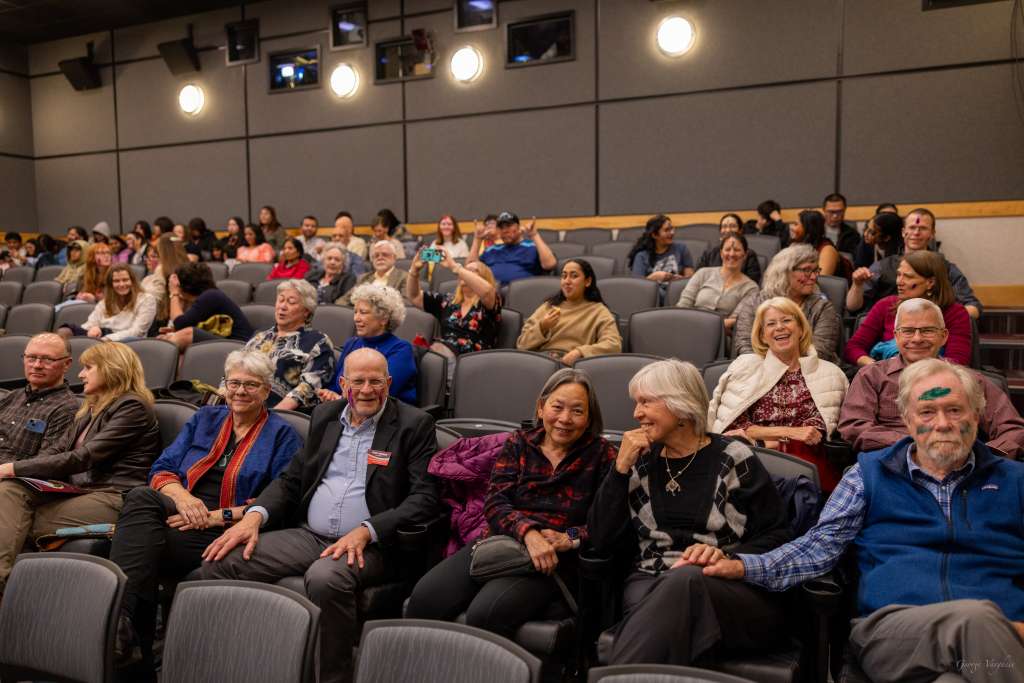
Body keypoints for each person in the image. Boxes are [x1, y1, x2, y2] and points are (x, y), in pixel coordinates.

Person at [705, 358, 1024, 683]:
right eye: (927, 412)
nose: (942, 423)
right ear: (908, 421)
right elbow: (817, 549)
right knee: (976, 619)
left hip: (994, 644)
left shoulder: (1016, 482)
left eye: (955, 410)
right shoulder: (868, 476)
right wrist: (743, 565)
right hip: (892, 632)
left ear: (977, 414)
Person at [200, 347, 439, 683]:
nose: (367, 390)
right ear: (343, 383)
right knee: (219, 562)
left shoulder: (414, 425)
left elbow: (424, 498)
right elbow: (291, 479)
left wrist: (368, 530)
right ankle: (239, 663)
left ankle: (332, 677)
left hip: (373, 544)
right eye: (358, 381)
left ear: (389, 383)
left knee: (326, 578)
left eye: (376, 382)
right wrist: (254, 517)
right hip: (310, 535)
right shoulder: (326, 416)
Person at [109, 350, 303, 673]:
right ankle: (127, 629)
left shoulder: (282, 435)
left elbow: (280, 500)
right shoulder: (205, 419)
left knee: (145, 545)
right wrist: (184, 500)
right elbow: (162, 469)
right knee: (142, 499)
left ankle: (123, 632)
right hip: (181, 509)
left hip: (228, 527)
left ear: (267, 391)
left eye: (251, 385)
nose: (240, 391)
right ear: (224, 385)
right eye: (234, 383)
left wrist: (217, 516)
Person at [588, 359, 792, 665]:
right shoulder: (638, 460)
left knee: (684, 581)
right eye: (636, 403)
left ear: (680, 405)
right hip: (650, 580)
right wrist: (619, 470)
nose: (636, 413)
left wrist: (727, 558)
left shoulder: (733, 457)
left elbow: (778, 535)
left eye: (645, 402)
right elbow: (600, 539)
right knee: (666, 595)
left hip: (723, 586)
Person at [407, 369, 616, 639]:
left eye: (577, 411)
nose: (565, 418)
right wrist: (528, 533)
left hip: (553, 560)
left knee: (486, 614)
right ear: (541, 408)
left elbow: (605, 524)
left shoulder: (602, 456)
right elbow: (496, 502)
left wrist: (570, 537)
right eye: (557, 407)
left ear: (589, 418)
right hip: (502, 543)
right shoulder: (519, 443)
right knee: (424, 599)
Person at [0, 342, 160, 593]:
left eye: (88, 367)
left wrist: (11, 467)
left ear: (110, 370)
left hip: (113, 495)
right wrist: (14, 471)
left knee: (13, 520)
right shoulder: (91, 408)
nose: (80, 374)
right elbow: (56, 452)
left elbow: (83, 457)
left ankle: (6, 590)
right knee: (10, 490)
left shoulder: (132, 407)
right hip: (78, 490)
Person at [839, 298, 1024, 458]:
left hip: (960, 467)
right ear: (896, 336)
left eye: (927, 330)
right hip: (892, 464)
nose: (917, 338)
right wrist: (917, 444)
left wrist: (986, 458)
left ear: (943, 336)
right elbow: (854, 427)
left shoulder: (968, 380)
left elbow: (1013, 429)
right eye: (908, 331)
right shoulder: (872, 376)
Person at [711, 297, 848, 490]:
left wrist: (759, 437)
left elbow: (813, 434)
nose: (779, 327)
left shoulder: (828, 373)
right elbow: (733, 428)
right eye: (771, 324)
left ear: (801, 328)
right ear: (763, 335)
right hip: (749, 460)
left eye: (786, 320)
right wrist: (788, 433)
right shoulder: (745, 367)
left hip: (802, 466)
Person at [847, 207, 982, 319]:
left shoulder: (945, 268)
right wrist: (857, 285)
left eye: (923, 228)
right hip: (889, 329)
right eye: (912, 227)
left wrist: (938, 319)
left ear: (932, 234)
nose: (916, 233)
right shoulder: (882, 266)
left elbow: (973, 307)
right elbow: (853, 307)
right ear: (903, 232)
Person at [844, 250, 971, 367]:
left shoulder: (955, 313)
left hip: (936, 378)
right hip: (887, 377)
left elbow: (957, 361)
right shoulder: (885, 306)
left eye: (908, 277)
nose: (899, 281)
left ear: (930, 282)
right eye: (899, 275)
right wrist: (877, 368)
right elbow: (853, 347)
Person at [733, 244, 842, 364]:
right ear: (784, 272)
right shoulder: (754, 303)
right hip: (760, 371)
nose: (814, 277)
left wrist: (787, 371)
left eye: (816, 270)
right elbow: (745, 347)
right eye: (806, 270)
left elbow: (821, 352)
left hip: (810, 374)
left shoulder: (822, 308)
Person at [244, 279, 336, 412]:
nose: (282, 306)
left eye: (291, 302)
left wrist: (271, 416)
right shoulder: (260, 337)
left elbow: (308, 388)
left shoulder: (318, 343)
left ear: (306, 311)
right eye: (280, 300)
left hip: (279, 415)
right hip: (242, 406)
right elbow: (234, 371)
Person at [323, 284, 417, 404]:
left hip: (388, 418)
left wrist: (340, 400)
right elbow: (335, 384)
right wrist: (329, 394)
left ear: (384, 318)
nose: (356, 318)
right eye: (355, 312)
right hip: (344, 412)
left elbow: (381, 393)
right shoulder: (352, 343)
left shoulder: (401, 349)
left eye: (363, 312)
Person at [517, 258, 622, 365]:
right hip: (541, 362)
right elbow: (522, 344)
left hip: (574, 366)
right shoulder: (548, 306)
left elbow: (614, 345)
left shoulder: (599, 311)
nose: (567, 281)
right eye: (564, 276)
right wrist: (542, 327)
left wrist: (580, 352)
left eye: (574, 276)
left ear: (587, 281)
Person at [0, 334, 78, 466]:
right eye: (31, 358)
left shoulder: (67, 408)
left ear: (66, 364)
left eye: (47, 359)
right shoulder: (12, 397)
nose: (37, 365)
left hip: (16, 478)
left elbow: (44, 463)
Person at [407, 248, 501, 357]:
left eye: (472, 271)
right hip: (442, 356)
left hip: (475, 361)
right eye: (465, 270)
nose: (464, 273)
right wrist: (414, 270)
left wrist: (455, 267)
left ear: (484, 278)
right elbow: (414, 296)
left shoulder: (490, 300)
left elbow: (487, 291)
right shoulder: (447, 301)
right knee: (410, 350)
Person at [159, 262, 254, 351]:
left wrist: (174, 293)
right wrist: (174, 333)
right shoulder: (208, 296)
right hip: (228, 344)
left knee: (188, 334)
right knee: (173, 336)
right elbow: (183, 324)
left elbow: (180, 324)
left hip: (240, 347)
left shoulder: (211, 296)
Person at [678, 232, 759, 333]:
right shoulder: (702, 273)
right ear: (721, 253)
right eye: (727, 249)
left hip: (722, 335)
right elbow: (683, 306)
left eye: (737, 250)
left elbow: (735, 320)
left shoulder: (751, 288)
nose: (732, 254)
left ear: (745, 255)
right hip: (689, 326)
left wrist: (707, 327)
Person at [57, 265, 157, 341]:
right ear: (111, 284)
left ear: (133, 281)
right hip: (101, 337)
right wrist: (93, 328)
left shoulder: (147, 300)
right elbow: (90, 323)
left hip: (126, 343)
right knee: (66, 330)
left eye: (125, 280)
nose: (121, 284)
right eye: (116, 281)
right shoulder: (105, 302)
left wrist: (106, 339)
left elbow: (137, 332)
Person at [468, 211, 557, 285]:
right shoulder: (492, 250)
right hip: (493, 295)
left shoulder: (531, 247)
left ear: (518, 227)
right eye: (501, 227)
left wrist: (534, 235)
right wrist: (477, 239)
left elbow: (550, 264)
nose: (505, 230)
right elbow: (469, 269)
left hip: (522, 294)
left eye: (508, 226)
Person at [628, 214, 695, 287]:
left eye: (671, 228)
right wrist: (653, 277)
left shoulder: (682, 249)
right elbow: (636, 287)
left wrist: (677, 279)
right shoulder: (641, 256)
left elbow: (690, 281)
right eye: (667, 230)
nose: (672, 233)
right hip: (653, 296)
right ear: (654, 235)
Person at [141, 233, 189, 331]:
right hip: (184, 320)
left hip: (163, 322)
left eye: (156, 255)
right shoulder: (189, 267)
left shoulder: (162, 270)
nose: (149, 260)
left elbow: (151, 300)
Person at [336, 241, 408, 305]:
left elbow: (407, 302)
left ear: (394, 258)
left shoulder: (404, 277)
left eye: (385, 254)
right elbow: (344, 300)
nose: (380, 258)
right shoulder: (363, 278)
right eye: (376, 256)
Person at [696, 213, 762, 282]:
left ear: (740, 230)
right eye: (724, 226)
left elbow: (752, 282)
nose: (728, 230)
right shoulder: (709, 253)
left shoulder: (749, 254)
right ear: (720, 231)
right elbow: (698, 277)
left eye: (733, 226)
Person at [790, 209, 845, 278]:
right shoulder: (795, 246)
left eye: (796, 224)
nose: (791, 227)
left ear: (808, 228)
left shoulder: (827, 250)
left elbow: (821, 281)